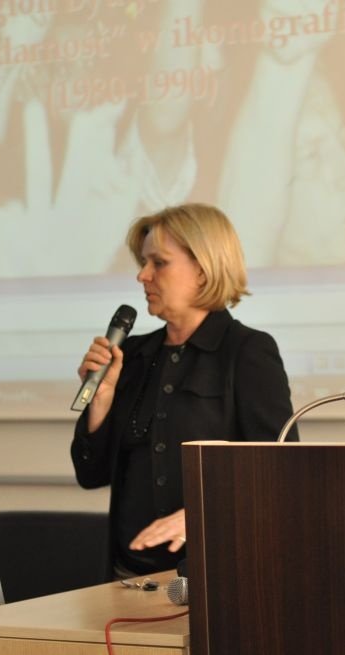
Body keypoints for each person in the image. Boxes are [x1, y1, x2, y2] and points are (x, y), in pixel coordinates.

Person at [70, 203, 298, 578]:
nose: (143, 275)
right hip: (127, 579)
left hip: (218, 577)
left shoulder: (247, 351)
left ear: (203, 270)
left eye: (159, 263)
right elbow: (90, 474)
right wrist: (101, 402)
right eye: (143, 263)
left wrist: (205, 515)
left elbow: (281, 474)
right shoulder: (132, 355)